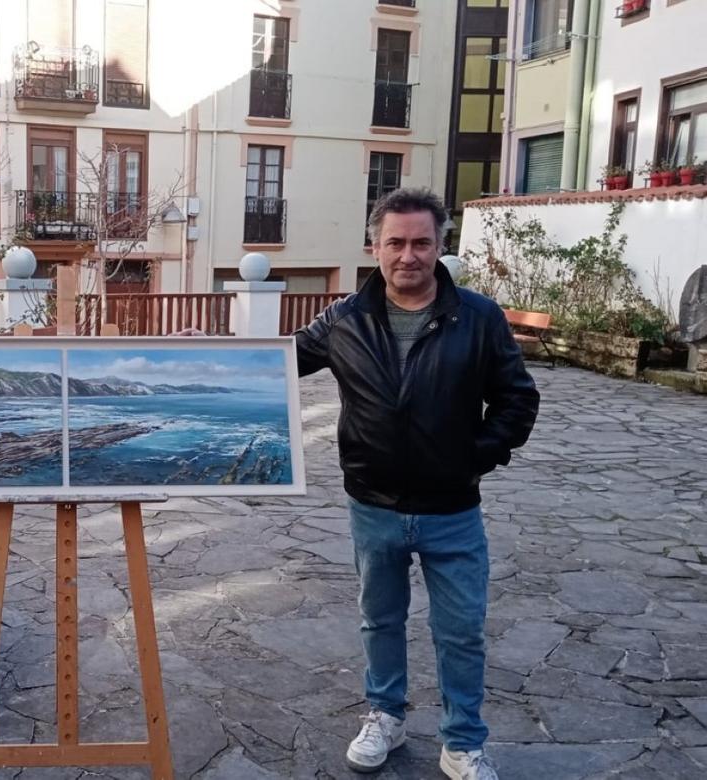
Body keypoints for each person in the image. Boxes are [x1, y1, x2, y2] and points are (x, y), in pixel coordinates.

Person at [295, 188, 539, 779]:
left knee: (461, 632)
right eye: (396, 242)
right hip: (373, 505)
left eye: (421, 243)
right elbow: (275, 363)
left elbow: (517, 399)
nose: (408, 255)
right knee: (379, 621)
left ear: (439, 246)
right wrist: (196, 354)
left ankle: (463, 742)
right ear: (374, 247)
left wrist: (473, 457)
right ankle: (386, 715)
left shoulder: (478, 317)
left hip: (452, 509)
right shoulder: (344, 319)